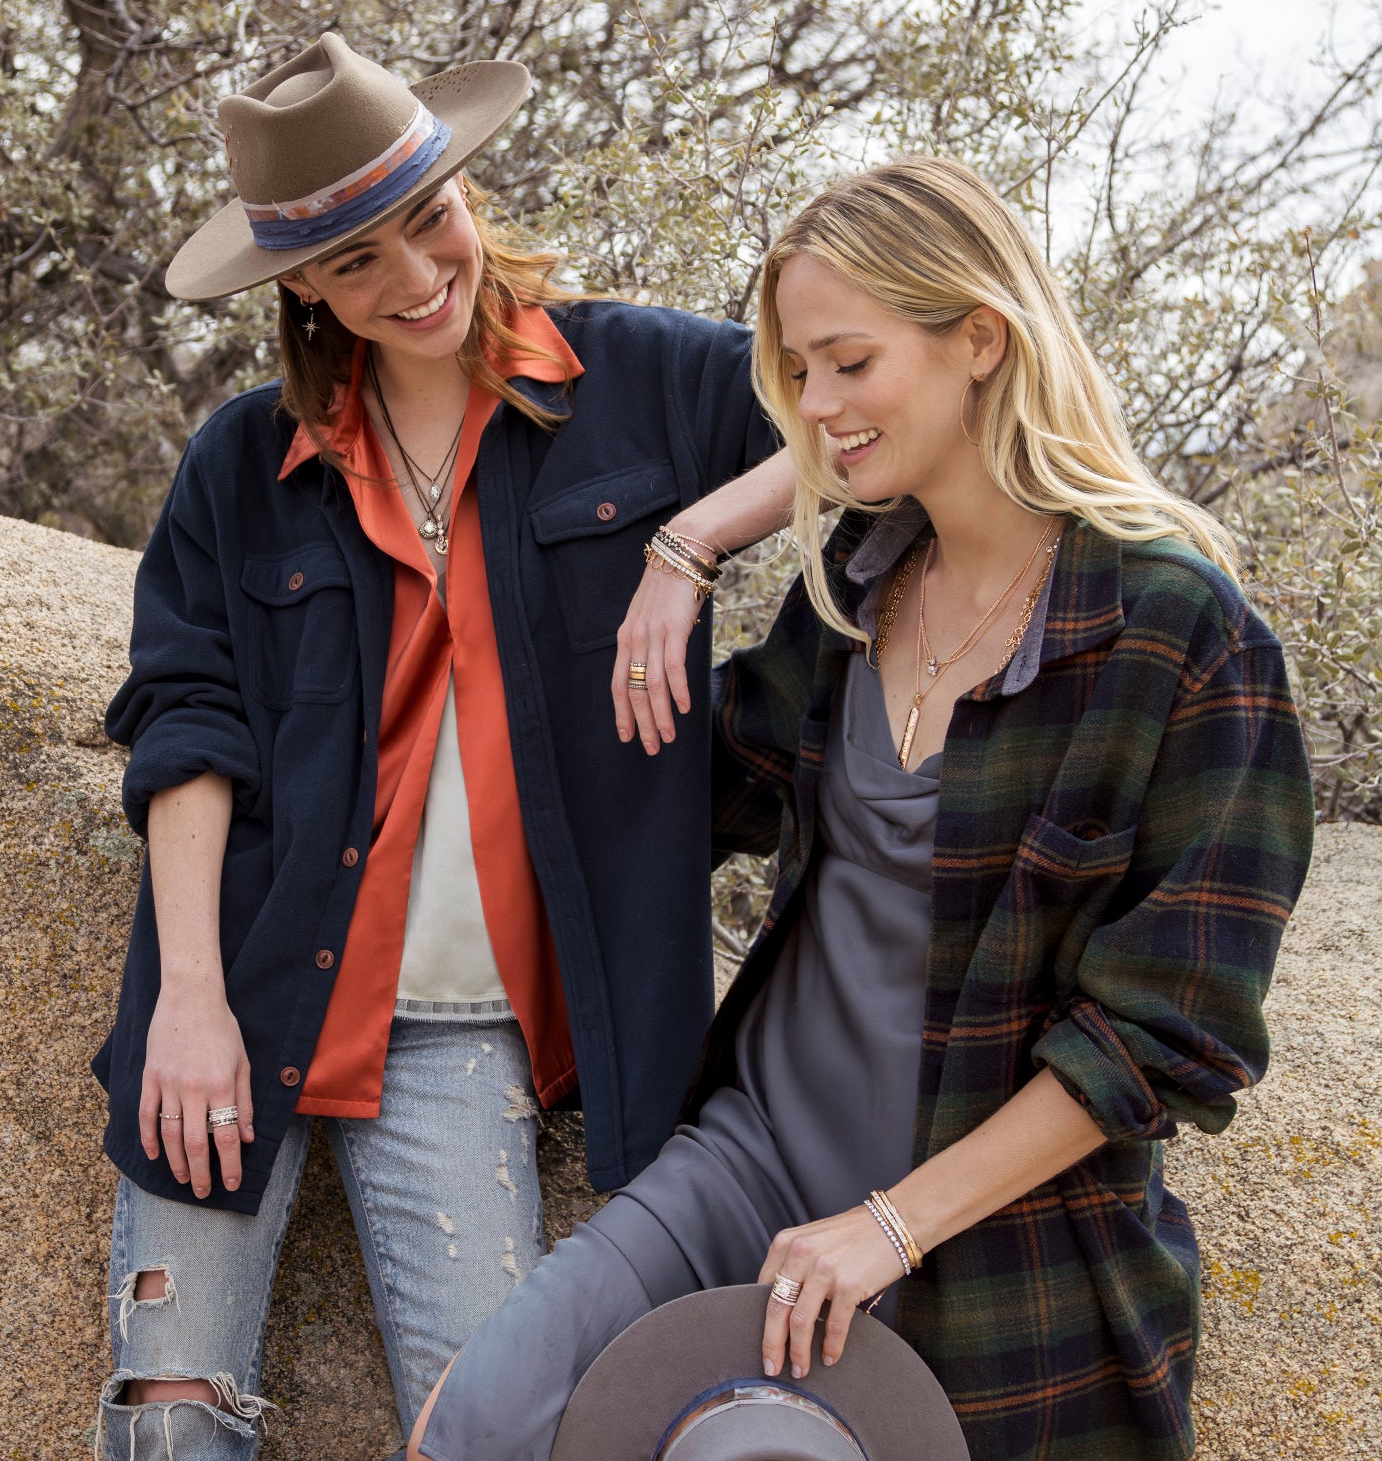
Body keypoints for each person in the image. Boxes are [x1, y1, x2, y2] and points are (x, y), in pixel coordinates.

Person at [410, 157, 1315, 1461]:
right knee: (478, 1418)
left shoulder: (1185, 640)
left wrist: (889, 1226)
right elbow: (679, 780)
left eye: (848, 364)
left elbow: (1165, 1042)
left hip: (997, 1252)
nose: (818, 411)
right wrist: (681, 550)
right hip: (753, 1157)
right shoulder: (858, 580)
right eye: (798, 374)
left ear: (979, 341)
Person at [91, 34, 795, 1459]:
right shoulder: (240, 464)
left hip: (458, 1036)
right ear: (299, 283)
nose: (415, 277)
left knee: (493, 1430)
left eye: (429, 219)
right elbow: (189, 722)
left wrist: (693, 539)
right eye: (356, 262)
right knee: (171, 1425)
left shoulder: (646, 378)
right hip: (237, 989)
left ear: (467, 187)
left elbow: (864, 421)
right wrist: (186, 1004)